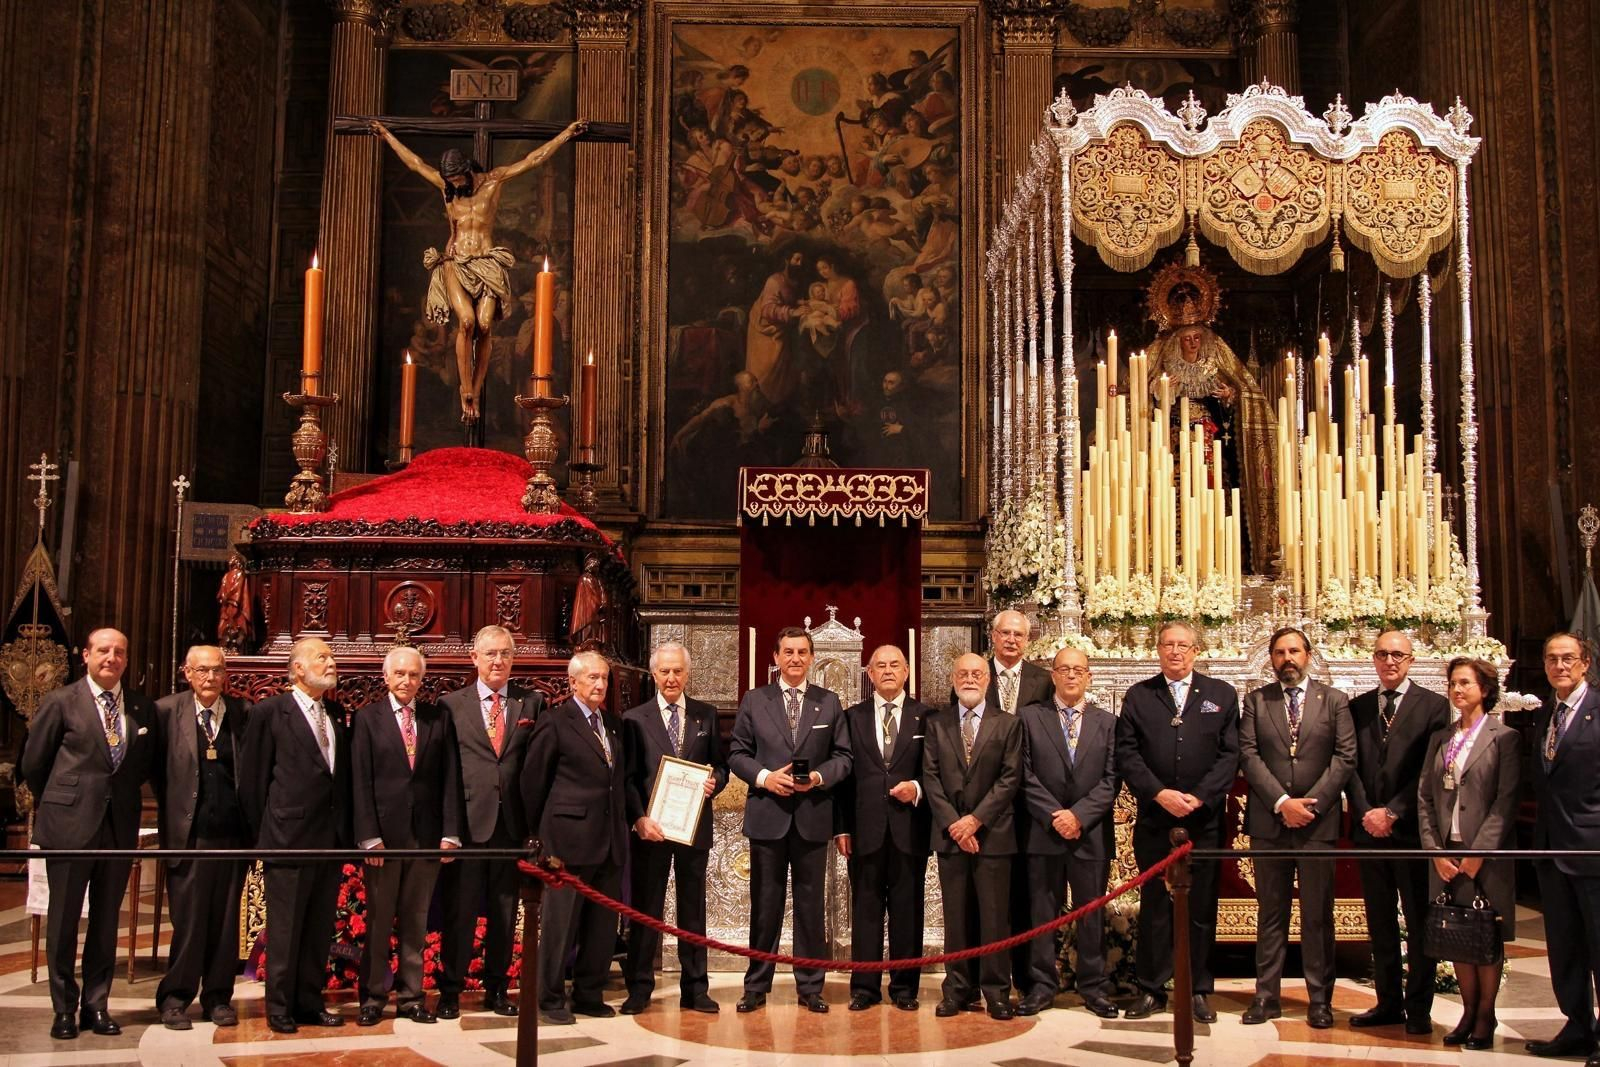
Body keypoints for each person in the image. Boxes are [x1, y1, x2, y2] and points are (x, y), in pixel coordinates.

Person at [370, 117, 588, 421]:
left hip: (487, 262)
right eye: (450, 180)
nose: (454, 185)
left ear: (468, 171)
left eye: (457, 179)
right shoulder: (446, 187)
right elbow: (415, 164)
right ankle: (466, 390)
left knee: (485, 325)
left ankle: (477, 385)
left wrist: (566, 134)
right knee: (467, 322)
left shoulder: (493, 181)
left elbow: (533, 159)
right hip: (456, 262)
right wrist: (386, 136)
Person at [22, 628, 157, 1040]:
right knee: (63, 920)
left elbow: (143, 766)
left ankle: (96, 1004)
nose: (111, 658)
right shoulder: (61, 701)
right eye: (103, 650)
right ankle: (64, 1008)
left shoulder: (141, 707)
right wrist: (67, 800)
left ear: (126, 659)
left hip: (117, 827)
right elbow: (34, 764)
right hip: (69, 827)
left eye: (119, 652)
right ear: (86, 655)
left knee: (105, 922)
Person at [1115, 620, 1239, 1023]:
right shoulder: (1140, 695)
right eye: (1168, 644)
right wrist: (1158, 793)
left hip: (1203, 820)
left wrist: (1200, 796)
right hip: (1155, 817)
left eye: (1183, 645)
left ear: (1195, 651)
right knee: (1155, 904)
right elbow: (1127, 753)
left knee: (1201, 906)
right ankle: (1151, 988)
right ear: (1158, 650)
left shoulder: (1221, 694)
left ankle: (1198, 989)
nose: (1175, 652)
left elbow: (1230, 754)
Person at [727, 626, 852, 1014]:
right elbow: (737, 754)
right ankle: (756, 985)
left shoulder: (829, 702)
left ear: (811, 657)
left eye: (802, 652)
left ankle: (811, 986)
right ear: (776, 657)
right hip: (769, 816)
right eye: (788, 652)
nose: (795, 658)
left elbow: (844, 757)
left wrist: (817, 777)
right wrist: (766, 778)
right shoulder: (755, 699)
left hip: (813, 818)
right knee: (765, 906)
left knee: (811, 908)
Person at [1239, 627, 1355, 1029]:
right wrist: (1282, 802)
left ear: (1308, 655)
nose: (1287, 658)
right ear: (1271, 659)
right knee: (1271, 912)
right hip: (1270, 822)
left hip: (1316, 825)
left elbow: (1345, 756)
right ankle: (1266, 996)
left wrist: (1313, 804)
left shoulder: (1334, 700)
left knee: (1317, 915)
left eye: (1294, 651)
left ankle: (1319, 1000)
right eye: (1279, 652)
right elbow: (1248, 755)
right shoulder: (1257, 701)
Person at [239, 637, 352, 1034]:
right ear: (298, 668)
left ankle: (309, 1000)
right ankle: (280, 1006)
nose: (331, 662)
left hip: (328, 840)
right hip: (287, 839)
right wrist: (267, 834)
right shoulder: (270, 712)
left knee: (318, 928)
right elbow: (252, 782)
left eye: (331, 656)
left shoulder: (335, 712)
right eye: (322, 657)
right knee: (285, 930)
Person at [1346, 630, 1452, 1033]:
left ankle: (1419, 1008)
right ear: (1373, 659)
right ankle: (1387, 1002)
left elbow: (1430, 770)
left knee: (1418, 919)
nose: (1389, 661)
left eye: (1397, 655)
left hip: (1410, 831)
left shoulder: (1434, 706)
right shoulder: (1357, 707)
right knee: (1380, 922)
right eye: (1382, 654)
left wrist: (1392, 812)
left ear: (1411, 660)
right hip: (1368, 832)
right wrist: (1365, 812)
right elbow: (1350, 765)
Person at [1143, 262, 1279, 569]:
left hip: (1209, 440)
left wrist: (1230, 397)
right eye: (1187, 339)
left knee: (1212, 488)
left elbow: (1242, 390)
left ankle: (1219, 556)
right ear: (1177, 342)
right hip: (1174, 441)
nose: (1193, 343)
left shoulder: (1216, 356)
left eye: (1196, 338)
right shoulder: (1160, 357)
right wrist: (1159, 392)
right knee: (1177, 494)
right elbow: (1138, 398)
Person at [352, 647, 462, 1026]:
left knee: (416, 922)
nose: (406, 680)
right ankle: (372, 997)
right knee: (380, 922)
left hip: (426, 837)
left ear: (421, 678)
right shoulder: (367, 718)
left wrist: (450, 833)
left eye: (414, 674)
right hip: (383, 839)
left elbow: (450, 778)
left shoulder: (437, 718)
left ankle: (412, 998)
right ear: (386, 677)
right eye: (399, 674)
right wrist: (368, 837)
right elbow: (360, 781)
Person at [438, 624, 542, 1018]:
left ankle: (497, 989)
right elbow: (445, 771)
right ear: (475, 658)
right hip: (467, 824)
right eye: (490, 654)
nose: (498, 661)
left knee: (504, 912)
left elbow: (535, 766)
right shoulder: (451, 705)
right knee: (460, 912)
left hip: (510, 825)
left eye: (505, 654)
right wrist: (448, 829)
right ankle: (451, 990)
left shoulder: (530, 703)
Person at [620, 641, 727, 1015]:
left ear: (687, 673)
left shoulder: (705, 715)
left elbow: (721, 766)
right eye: (664, 671)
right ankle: (639, 988)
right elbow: (628, 778)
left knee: (693, 911)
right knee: (646, 908)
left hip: (693, 828)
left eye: (677, 671)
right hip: (651, 830)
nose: (671, 678)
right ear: (653, 674)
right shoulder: (634, 718)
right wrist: (638, 818)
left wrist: (715, 781)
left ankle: (695, 989)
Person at [1418, 657, 1520, 1049]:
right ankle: (1467, 1011)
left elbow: (1505, 799)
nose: (1457, 690)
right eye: (1453, 684)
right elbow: (1425, 797)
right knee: (1458, 932)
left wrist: (1480, 851)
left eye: (1465, 683)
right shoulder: (1441, 738)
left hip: (1485, 853)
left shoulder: (1503, 737)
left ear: (1485, 689)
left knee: (1485, 932)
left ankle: (1485, 1016)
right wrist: (1434, 851)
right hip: (1448, 851)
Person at [522, 651, 628, 1025]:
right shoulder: (554, 722)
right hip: (567, 841)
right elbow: (532, 781)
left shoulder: (613, 725)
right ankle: (550, 997)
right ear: (573, 682)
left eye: (604, 678)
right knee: (560, 925)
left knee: (601, 926)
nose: (600, 684)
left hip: (608, 839)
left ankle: (589, 993)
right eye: (592, 678)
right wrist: (540, 833)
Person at [1016, 647, 1120, 1019]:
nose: (1071, 675)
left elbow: (1112, 779)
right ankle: (1042, 986)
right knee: (1042, 913)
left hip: (1090, 834)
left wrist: (1078, 816)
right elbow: (1023, 774)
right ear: (1053, 676)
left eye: (1078, 670)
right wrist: (1055, 816)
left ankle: (1093, 987)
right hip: (1044, 832)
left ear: (1089, 676)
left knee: (1091, 914)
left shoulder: (1108, 722)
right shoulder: (1030, 718)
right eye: (1064, 669)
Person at [152, 645, 251, 1030]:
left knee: (226, 925)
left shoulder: (242, 712)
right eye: (203, 670)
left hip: (232, 836)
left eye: (218, 670)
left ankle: (218, 998)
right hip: (189, 837)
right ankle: (175, 998)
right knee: (190, 923)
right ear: (187, 673)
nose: (211, 678)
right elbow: (156, 773)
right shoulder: (166, 712)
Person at [834, 644, 933, 1012]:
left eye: (895, 665)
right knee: (866, 911)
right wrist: (842, 828)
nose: (888, 671)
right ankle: (865, 987)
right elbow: (843, 780)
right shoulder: (851, 717)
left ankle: (905, 988)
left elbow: (937, 770)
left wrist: (917, 788)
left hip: (910, 829)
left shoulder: (928, 717)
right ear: (870, 674)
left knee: (908, 911)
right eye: (881, 665)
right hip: (865, 830)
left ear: (906, 672)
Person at [926, 653, 1023, 1019]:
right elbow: (931, 778)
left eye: (976, 674)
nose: (969, 679)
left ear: (988, 680)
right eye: (963, 674)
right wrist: (956, 824)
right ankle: (957, 990)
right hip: (951, 837)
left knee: (995, 917)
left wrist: (976, 820)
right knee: (956, 917)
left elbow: (1010, 778)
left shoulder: (1008, 724)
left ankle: (996, 991)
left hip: (993, 835)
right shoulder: (937, 724)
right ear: (953, 679)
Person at [1527, 633, 1600, 1060]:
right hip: (1552, 848)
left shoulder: (1597, 709)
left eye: (1568, 658)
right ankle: (1577, 1026)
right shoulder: (1547, 712)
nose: (1560, 666)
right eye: (1552, 659)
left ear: (1585, 662)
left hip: (1592, 848)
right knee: (1565, 946)